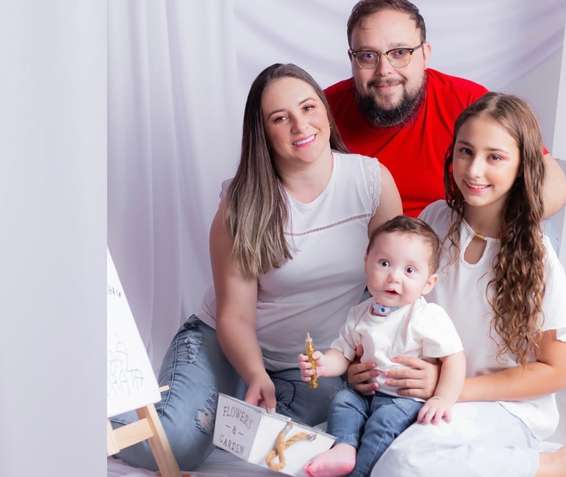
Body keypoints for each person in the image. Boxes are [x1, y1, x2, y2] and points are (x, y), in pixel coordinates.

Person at [111, 63, 402, 471]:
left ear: (325, 110)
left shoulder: (371, 182)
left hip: (311, 365)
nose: (300, 126)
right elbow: (234, 314)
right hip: (227, 346)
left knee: (311, 445)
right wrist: (253, 373)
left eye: (308, 108)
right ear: (263, 132)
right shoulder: (242, 201)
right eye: (280, 118)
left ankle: (218, 413)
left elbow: (394, 285)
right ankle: (89, 418)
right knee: (178, 444)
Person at [360, 93, 566, 476]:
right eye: (465, 151)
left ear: (521, 166)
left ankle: (565, 463)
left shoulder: (538, 257)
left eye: (494, 157)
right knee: (364, 453)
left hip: (502, 405)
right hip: (432, 395)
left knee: (404, 463)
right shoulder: (434, 220)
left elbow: (555, 370)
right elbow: (401, 312)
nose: (474, 170)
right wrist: (365, 365)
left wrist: (450, 387)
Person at [325, 0, 566, 217]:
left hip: (453, 250)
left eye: (400, 53)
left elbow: (555, 187)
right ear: (352, 59)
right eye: (368, 56)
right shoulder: (319, 114)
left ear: (425, 54)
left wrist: (487, 238)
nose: (384, 70)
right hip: (363, 258)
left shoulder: (469, 103)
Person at [298, 216, 466, 477]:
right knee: (343, 400)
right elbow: (342, 353)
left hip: (403, 399)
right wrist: (322, 364)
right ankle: (344, 447)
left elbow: (454, 358)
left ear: (428, 283)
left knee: (382, 424)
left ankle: (361, 472)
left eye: (410, 271)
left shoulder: (426, 316)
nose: (393, 277)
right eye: (384, 263)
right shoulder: (359, 313)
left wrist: (442, 397)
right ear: (366, 263)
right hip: (366, 394)